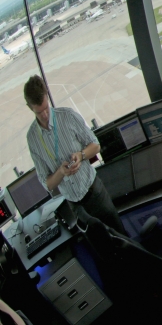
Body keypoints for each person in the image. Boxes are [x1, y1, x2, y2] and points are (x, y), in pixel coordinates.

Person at [23, 76, 126, 236]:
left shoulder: (68, 116)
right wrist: (61, 173)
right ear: (30, 107)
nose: (44, 115)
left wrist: (81, 154)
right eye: (39, 112)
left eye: (46, 108)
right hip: (75, 205)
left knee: (120, 237)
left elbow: (95, 145)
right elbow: (47, 184)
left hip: (94, 193)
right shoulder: (33, 139)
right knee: (102, 250)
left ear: (47, 97)